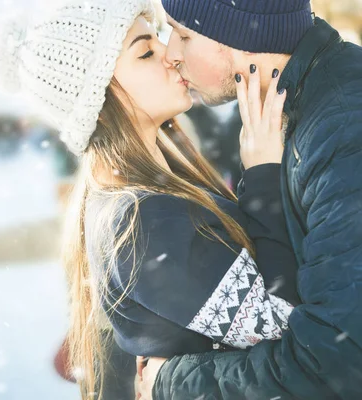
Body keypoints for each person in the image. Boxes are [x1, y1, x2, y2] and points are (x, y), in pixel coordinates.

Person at [0, 0, 301, 398]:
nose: (170, 56)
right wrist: (264, 175)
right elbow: (289, 336)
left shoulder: (143, 198)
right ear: (98, 98)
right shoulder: (144, 223)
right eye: (146, 52)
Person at [137, 1, 362, 399]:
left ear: (240, 39)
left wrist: (173, 383)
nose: (172, 54)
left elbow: (335, 364)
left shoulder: (344, 133)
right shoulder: (302, 106)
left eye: (184, 35)